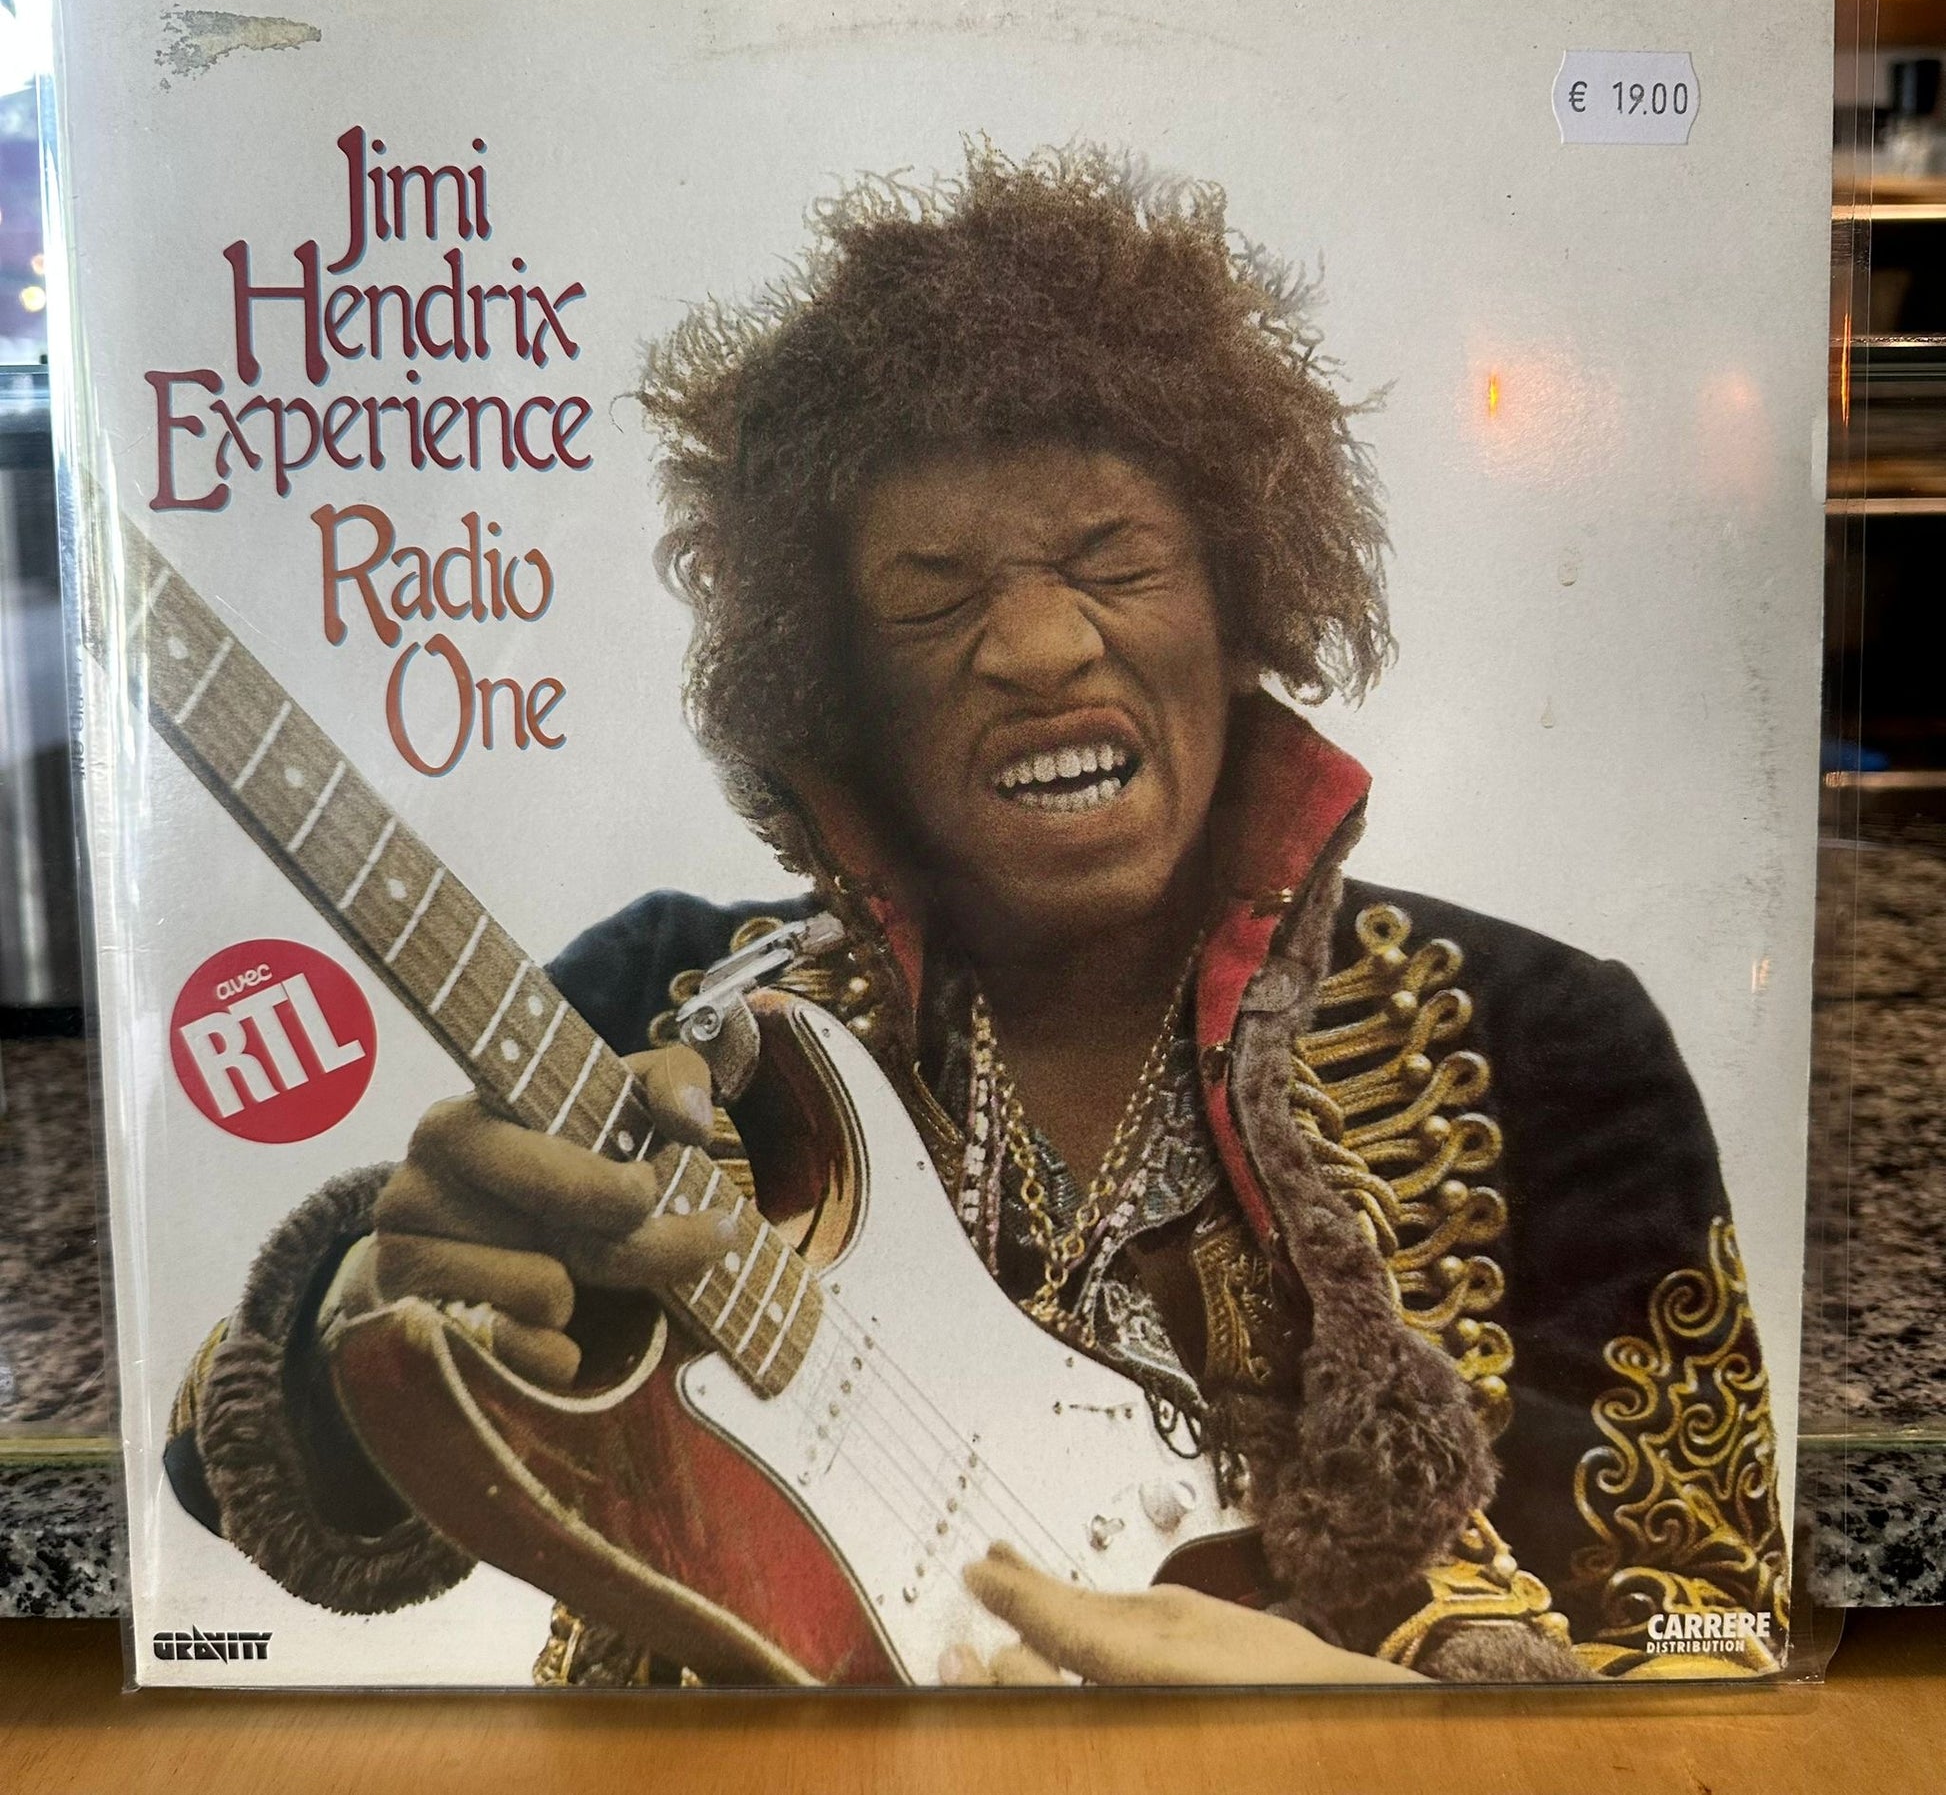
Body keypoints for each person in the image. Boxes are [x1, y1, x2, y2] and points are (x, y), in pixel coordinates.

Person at [167, 146, 1788, 1686]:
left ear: (1237, 601)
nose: (1035, 647)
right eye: (932, 596)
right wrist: (364, 1326)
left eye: (1112, 560)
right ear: (838, 684)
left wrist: (1356, 1724)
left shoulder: (1540, 1037)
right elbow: (216, 1474)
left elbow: (1710, 1625)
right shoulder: (674, 1010)